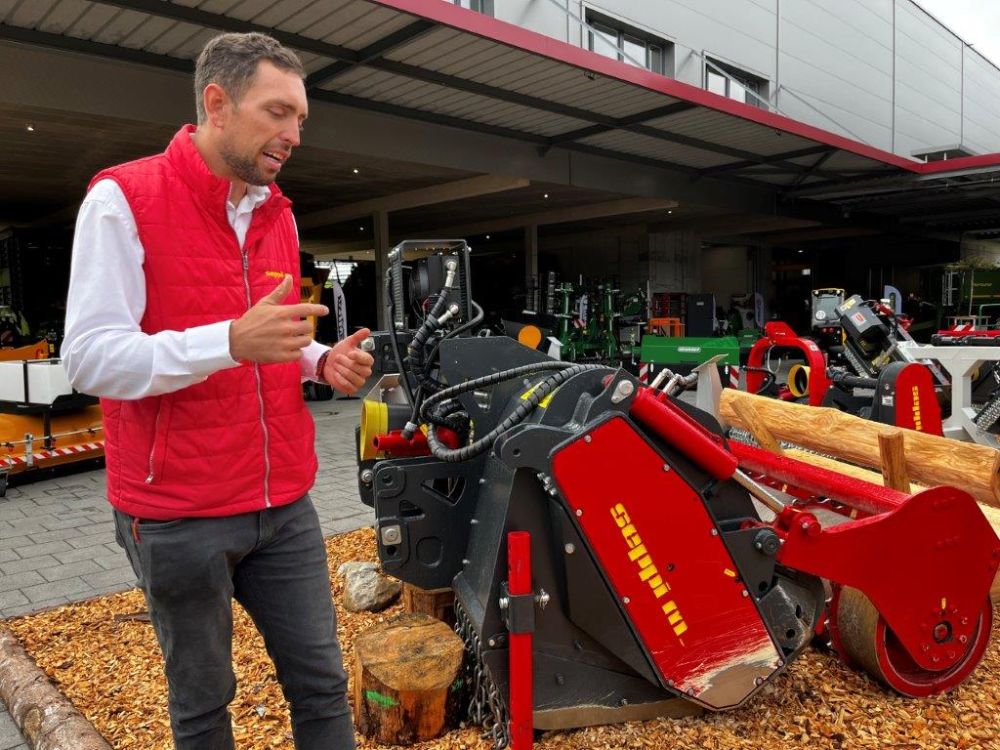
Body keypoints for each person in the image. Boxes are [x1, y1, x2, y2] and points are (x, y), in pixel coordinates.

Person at [62, 32, 373, 750]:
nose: (294, 135)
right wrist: (228, 342)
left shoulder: (277, 211)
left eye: (301, 119)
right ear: (217, 104)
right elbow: (89, 358)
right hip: (178, 512)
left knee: (323, 685)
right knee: (203, 706)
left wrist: (319, 361)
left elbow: (269, 333)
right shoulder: (121, 200)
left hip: (284, 502)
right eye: (278, 112)